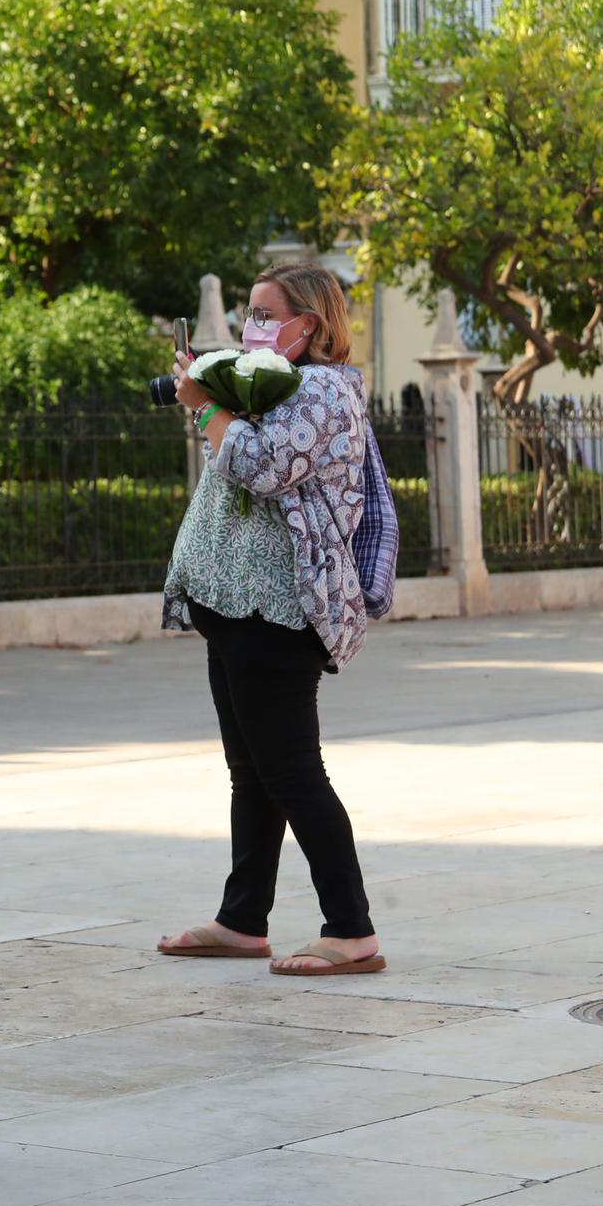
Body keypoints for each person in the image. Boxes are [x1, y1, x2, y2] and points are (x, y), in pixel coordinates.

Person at [157, 264, 386, 977]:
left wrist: (204, 406)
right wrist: (215, 398)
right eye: (247, 314)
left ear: (307, 325)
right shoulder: (268, 385)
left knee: (291, 772)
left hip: (278, 608)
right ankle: (241, 918)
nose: (249, 326)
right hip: (230, 604)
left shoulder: (321, 389)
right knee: (250, 773)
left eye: (262, 314)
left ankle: (351, 929)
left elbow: (257, 464)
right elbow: (230, 462)